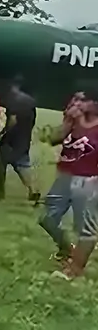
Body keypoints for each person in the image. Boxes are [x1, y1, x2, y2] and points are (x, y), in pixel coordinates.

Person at [39, 89, 98, 280]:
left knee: (85, 229)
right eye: (76, 99)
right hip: (64, 176)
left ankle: (75, 271)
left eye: (83, 101)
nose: (77, 103)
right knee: (46, 218)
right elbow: (54, 139)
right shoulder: (73, 121)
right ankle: (67, 249)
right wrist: (66, 121)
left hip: (88, 181)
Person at [0, 76, 40, 203]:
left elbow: (12, 120)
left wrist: (3, 134)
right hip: (24, 137)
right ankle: (32, 189)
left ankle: (0, 193)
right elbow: (33, 120)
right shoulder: (30, 101)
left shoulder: (13, 99)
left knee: (2, 166)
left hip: (11, 139)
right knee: (22, 165)